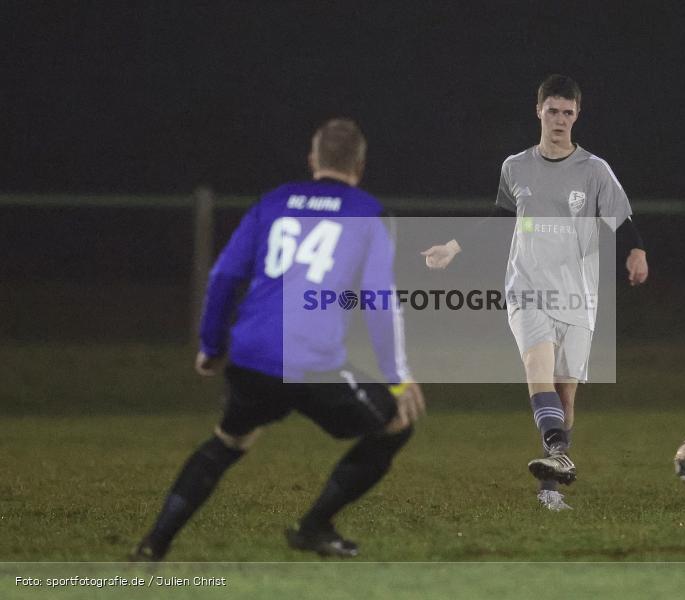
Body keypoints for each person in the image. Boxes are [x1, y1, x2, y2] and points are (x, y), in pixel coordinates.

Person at [131, 118, 424, 560]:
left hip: (253, 357)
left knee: (229, 440)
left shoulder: (272, 203)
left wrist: (211, 347)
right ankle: (314, 526)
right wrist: (398, 379)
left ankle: (154, 545)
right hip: (311, 362)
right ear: (359, 166)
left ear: (313, 161)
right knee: (397, 421)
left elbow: (224, 275)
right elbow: (380, 301)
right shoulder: (370, 212)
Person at [422, 74, 647, 511]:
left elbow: (622, 219)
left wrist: (637, 250)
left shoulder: (595, 171)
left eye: (567, 112)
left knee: (565, 397)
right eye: (552, 111)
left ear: (577, 115)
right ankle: (556, 457)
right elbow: (500, 217)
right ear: (538, 111)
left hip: (578, 295)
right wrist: (453, 247)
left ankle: (551, 482)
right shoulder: (515, 167)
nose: (559, 119)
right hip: (526, 287)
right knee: (536, 368)